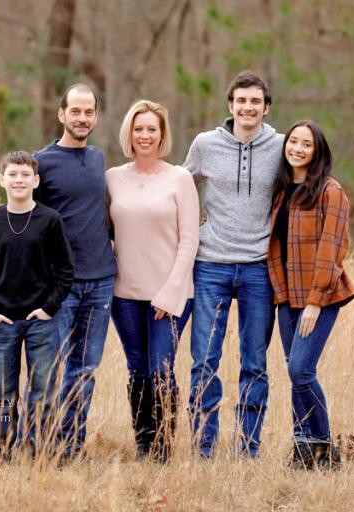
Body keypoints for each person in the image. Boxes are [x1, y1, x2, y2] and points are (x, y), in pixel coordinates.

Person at [183, 71, 283, 457]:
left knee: (255, 361)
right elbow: (178, 185)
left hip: (259, 266)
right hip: (211, 264)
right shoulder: (206, 144)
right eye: (241, 101)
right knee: (205, 359)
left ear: (266, 107)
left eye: (255, 101)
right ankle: (203, 446)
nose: (248, 107)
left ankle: (248, 447)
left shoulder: (279, 145)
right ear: (231, 105)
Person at [106, 100, 199, 462]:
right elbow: (105, 232)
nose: (145, 135)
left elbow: (190, 239)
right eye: (139, 128)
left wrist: (170, 292)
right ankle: (144, 444)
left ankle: (162, 447)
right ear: (129, 132)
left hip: (171, 294)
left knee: (161, 368)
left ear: (162, 135)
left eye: (152, 129)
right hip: (124, 294)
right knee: (137, 368)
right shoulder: (113, 178)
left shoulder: (179, 178)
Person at [32, 84, 117, 461]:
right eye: (76, 111)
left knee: (84, 371)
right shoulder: (41, 163)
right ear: (61, 114)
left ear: (96, 117)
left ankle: (72, 446)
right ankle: (42, 445)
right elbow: (27, 225)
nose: (83, 118)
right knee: (49, 368)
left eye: (89, 112)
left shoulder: (99, 159)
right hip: (59, 285)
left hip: (100, 283)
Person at [0, 150, 75, 461]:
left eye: (25, 175)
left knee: (42, 392)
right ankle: (0, 450)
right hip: (3, 321)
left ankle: (41, 451)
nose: (19, 180)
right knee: (3, 393)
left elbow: (66, 270)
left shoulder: (50, 220)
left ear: (36, 180)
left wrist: (49, 308)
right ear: (2, 180)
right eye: (13, 174)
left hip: (41, 320)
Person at [267, 120, 354, 470]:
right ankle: (303, 451)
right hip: (288, 296)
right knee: (295, 372)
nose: (298, 149)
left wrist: (315, 302)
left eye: (306, 144)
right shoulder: (282, 191)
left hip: (320, 296)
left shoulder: (330, 192)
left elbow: (332, 247)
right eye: (293, 142)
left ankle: (324, 450)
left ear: (318, 151)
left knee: (301, 369)